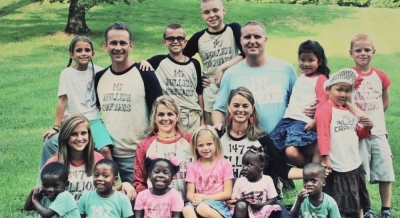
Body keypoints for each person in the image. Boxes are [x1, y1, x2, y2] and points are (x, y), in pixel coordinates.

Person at [38, 36, 113, 184]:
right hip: (72, 121)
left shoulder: (99, 71)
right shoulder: (67, 73)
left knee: (105, 150)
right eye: (78, 50)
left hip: (93, 119)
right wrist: (56, 127)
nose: (83, 53)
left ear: (93, 53)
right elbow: (63, 101)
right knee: (52, 143)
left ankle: (112, 184)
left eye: (87, 50)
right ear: (71, 54)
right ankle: (44, 186)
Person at [94, 21, 163, 184]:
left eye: (123, 43)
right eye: (113, 43)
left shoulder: (145, 74)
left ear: (130, 46)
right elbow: (92, 114)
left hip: (138, 156)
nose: (118, 47)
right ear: (105, 46)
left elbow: (159, 113)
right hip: (108, 155)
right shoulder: (99, 77)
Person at [219, 87, 299, 217]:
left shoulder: (261, 138)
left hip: (259, 199)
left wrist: (310, 172)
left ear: (252, 109)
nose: (240, 109)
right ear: (228, 107)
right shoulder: (218, 136)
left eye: (245, 106)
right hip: (228, 197)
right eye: (236, 105)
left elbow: (281, 168)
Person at [212, 20, 298, 135]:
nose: (252, 41)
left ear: (265, 40)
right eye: (247, 37)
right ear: (241, 41)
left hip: (282, 142)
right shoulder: (231, 74)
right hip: (247, 145)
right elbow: (219, 109)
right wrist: (218, 125)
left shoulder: (285, 69)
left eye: (257, 37)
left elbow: (300, 102)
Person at [315, 68, 373, 217]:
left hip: (353, 162)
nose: (343, 94)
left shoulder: (349, 110)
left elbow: (357, 133)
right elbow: (323, 135)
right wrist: (325, 157)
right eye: (339, 89)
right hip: (337, 164)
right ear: (328, 89)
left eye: (347, 91)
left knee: (357, 199)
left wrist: (368, 127)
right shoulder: (325, 110)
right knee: (341, 204)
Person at [349, 34, 394, 218]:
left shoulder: (381, 76)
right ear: (351, 53)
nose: (363, 53)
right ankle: (366, 208)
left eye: (367, 50)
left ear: (373, 52)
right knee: (361, 172)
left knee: (385, 170)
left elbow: (385, 102)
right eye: (358, 50)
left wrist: (374, 117)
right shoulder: (348, 75)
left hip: (379, 132)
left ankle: (386, 208)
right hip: (357, 133)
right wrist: (359, 120)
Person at [43, 114, 134, 202]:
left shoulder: (98, 159)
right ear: (65, 136)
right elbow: (43, 194)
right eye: (74, 134)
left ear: (89, 135)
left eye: (83, 133)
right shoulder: (54, 163)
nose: (79, 138)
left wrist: (124, 185)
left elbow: (108, 191)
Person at [183, 0, 245, 125]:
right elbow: (182, 59)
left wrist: (221, 68)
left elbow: (245, 54)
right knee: (214, 133)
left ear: (224, 10)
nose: (211, 15)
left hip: (235, 89)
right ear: (202, 15)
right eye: (206, 12)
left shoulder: (234, 29)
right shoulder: (198, 38)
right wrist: (197, 80)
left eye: (215, 10)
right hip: (211, 93)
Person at [269, 40, 330, 167]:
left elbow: (324, 104)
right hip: (287, 120)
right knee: (271, 147)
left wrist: (315, 121)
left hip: (303, 121)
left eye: (311, 60)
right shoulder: (300, 75)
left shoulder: (321, 79)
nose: (306, 64)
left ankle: (311, 171)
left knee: (291, 152)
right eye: (302, 59)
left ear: (320, 61)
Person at [139, 23, 204, 132]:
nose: (175, 41)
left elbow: (199, 93)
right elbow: (140, 68)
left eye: (179, 38)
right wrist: (143, 61)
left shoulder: (195, 63)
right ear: (164, 42)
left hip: (193, 117)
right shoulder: (158, 61)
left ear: (185, 42)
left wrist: (202, 120)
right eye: (170, 38)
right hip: (170, 117)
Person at [133, 96, 192, 199]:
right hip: (157, 206)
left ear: (177, 117)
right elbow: (139, 181)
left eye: (170, 114)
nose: (166, 118)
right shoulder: (144, 145)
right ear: (155, 118)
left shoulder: (189, 140)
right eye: (161, 114)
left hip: (188, 205)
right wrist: (148, 199)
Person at [183, 125, 233, 218]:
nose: (205, 148)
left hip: (217, 204)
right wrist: (194, 199)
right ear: (196, 147)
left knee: (202, 208)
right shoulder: (192, 166)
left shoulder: (225, 164)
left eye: (209, 144)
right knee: (187, 210)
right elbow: (189, 193)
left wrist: (204, 198)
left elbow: (227, 193)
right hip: (198, 202)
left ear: (216, 143)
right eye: (201, 145)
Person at [231, 146, 281, 218]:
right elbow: (234, 200)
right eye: (243, 164)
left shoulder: (267, 180)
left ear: (261, 167)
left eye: (249, 165)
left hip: (261, 212)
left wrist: (259, 205)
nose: (244, 167)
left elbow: (272, 199)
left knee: (271, 209)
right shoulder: (239, 182)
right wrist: (241, 200)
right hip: (244, 213)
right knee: (241, 205)